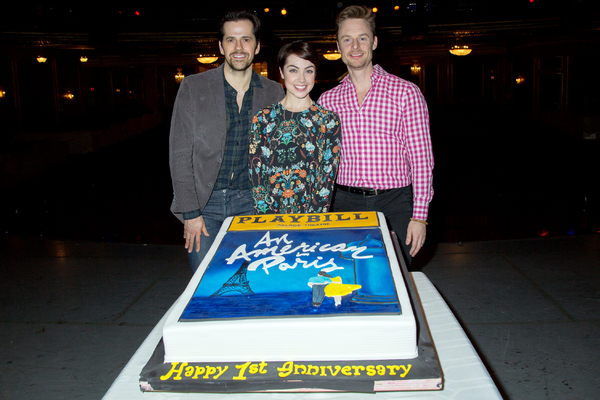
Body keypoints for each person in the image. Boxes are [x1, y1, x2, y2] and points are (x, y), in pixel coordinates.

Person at [169, 10, 285, 272]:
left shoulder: (273, 91)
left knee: (252, 281)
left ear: (256, 46)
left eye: (246, 39)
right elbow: (179, 155)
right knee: (205, 283)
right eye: (231, 40)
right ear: (221, 46)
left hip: (252, 206)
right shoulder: (193, 86)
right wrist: (190, 213)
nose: (239, 47)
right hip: (204, 206)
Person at [318, 5, 434, 265]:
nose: (355, 46)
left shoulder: (406, 93)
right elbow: (322, 164)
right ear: (338, 47)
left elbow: (422, 161)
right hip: (344, 203)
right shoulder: (328, 100)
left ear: (375, 42)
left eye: (362, 38)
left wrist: (419, 216)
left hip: (395, 203)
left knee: (396, 279)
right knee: (347, 279)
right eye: (347, 39)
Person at [249, 41, 341, 214]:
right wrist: (268, 221)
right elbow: (257, 178)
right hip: (270, 222)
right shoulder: (263, 119)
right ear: (281, 72)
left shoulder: (328, 121)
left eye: (308, 71)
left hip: (312, 222)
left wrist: (312, 224)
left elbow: (326, 182)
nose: (302, 79)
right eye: (293, 70)